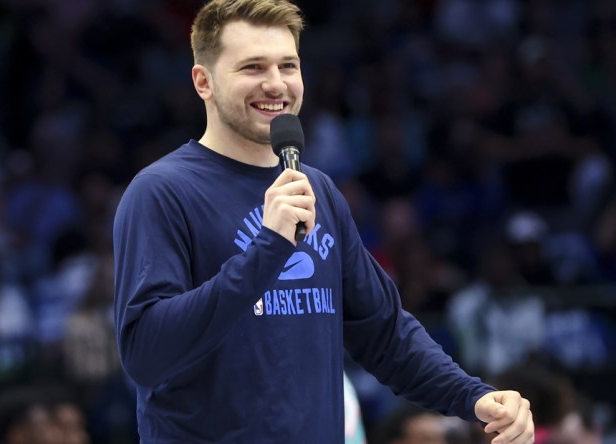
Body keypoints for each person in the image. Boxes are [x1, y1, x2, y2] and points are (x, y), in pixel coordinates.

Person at [112, 0, 535, 442]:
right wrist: (268, 248)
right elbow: (146, 355)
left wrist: (472, 396)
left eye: (288, 66)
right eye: (253, 67)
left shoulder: (318, 191)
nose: (276, 84)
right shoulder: (161, 191)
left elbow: (386, 336)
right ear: (204, 82)